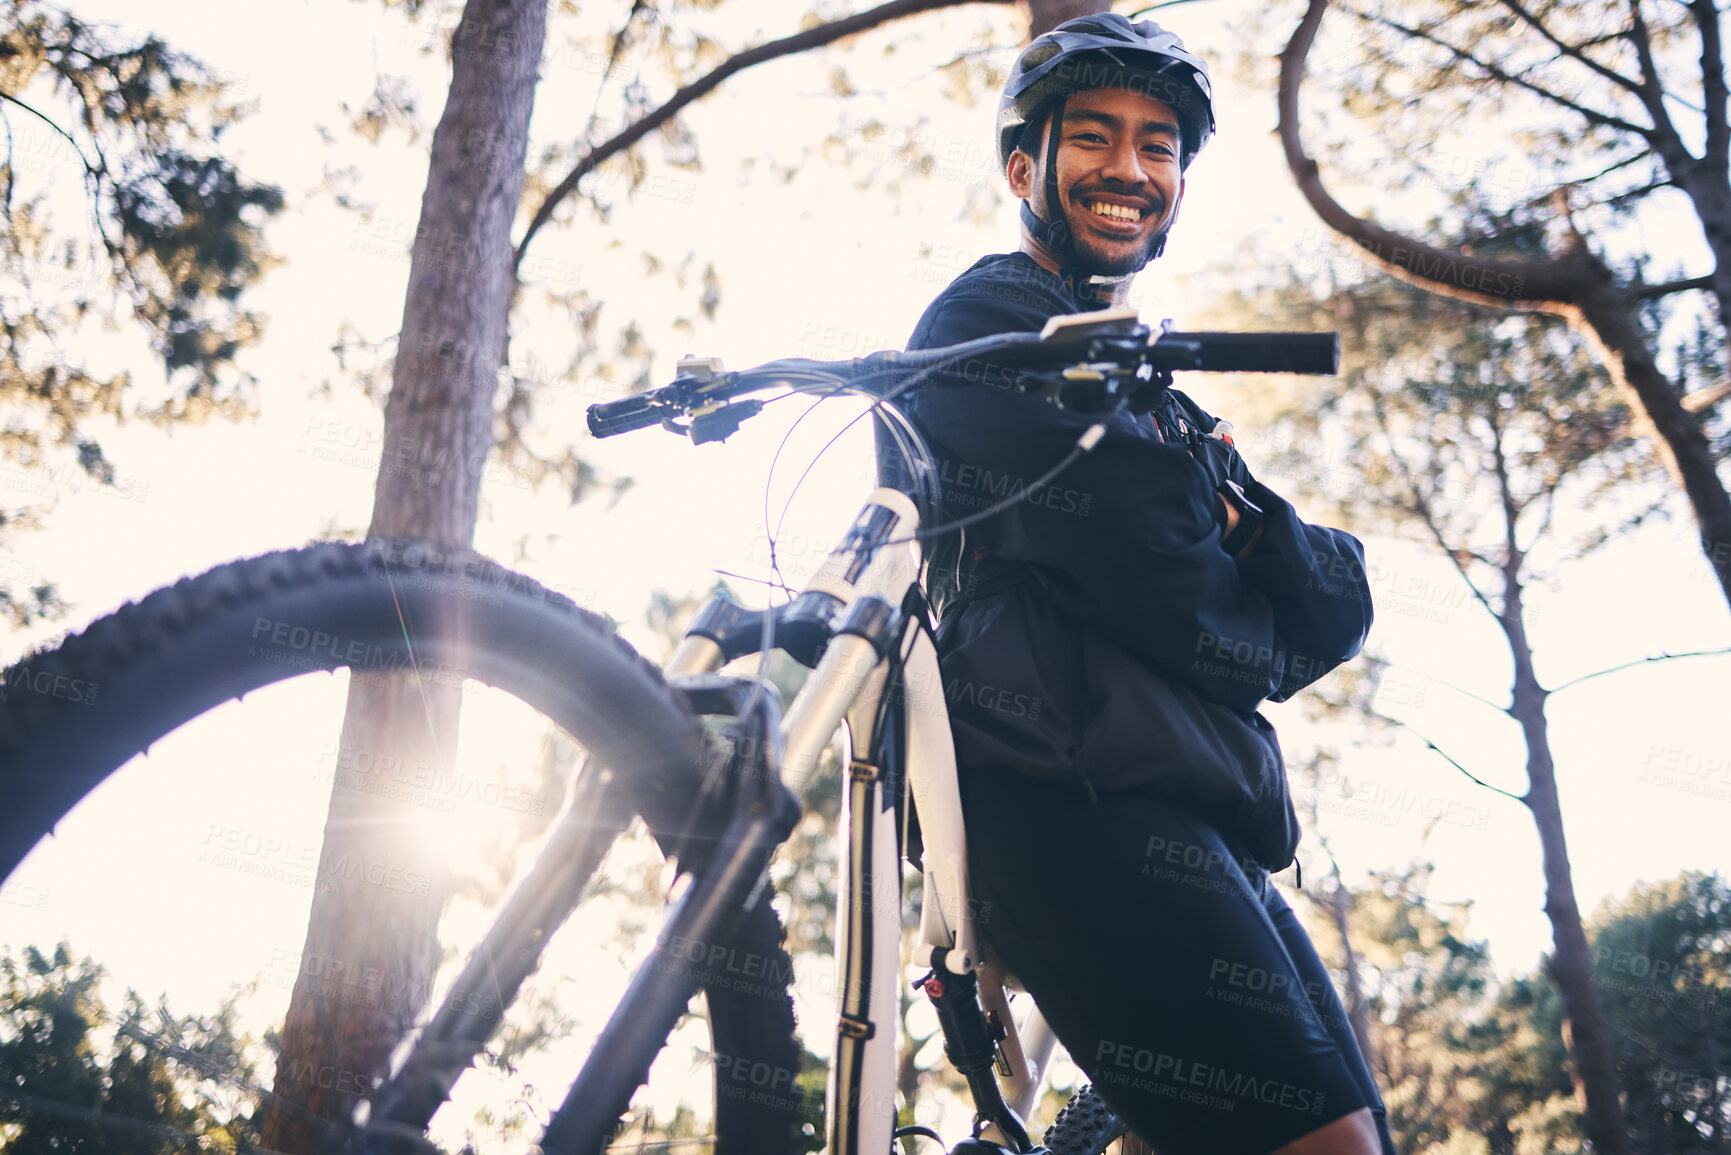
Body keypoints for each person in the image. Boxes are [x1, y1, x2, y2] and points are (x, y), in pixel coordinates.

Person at [875, 15, 1395, 1155]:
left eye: (1159, 147)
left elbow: (1335, 612)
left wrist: (1229, 530)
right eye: (1098, 138)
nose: (1132, 170)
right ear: (1027, 167)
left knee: (1366, 1138)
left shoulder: (1153, 392)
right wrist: (1225, 554)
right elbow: (1161, 565)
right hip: (1056, 792)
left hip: (1191, 802)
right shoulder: (987, 322)